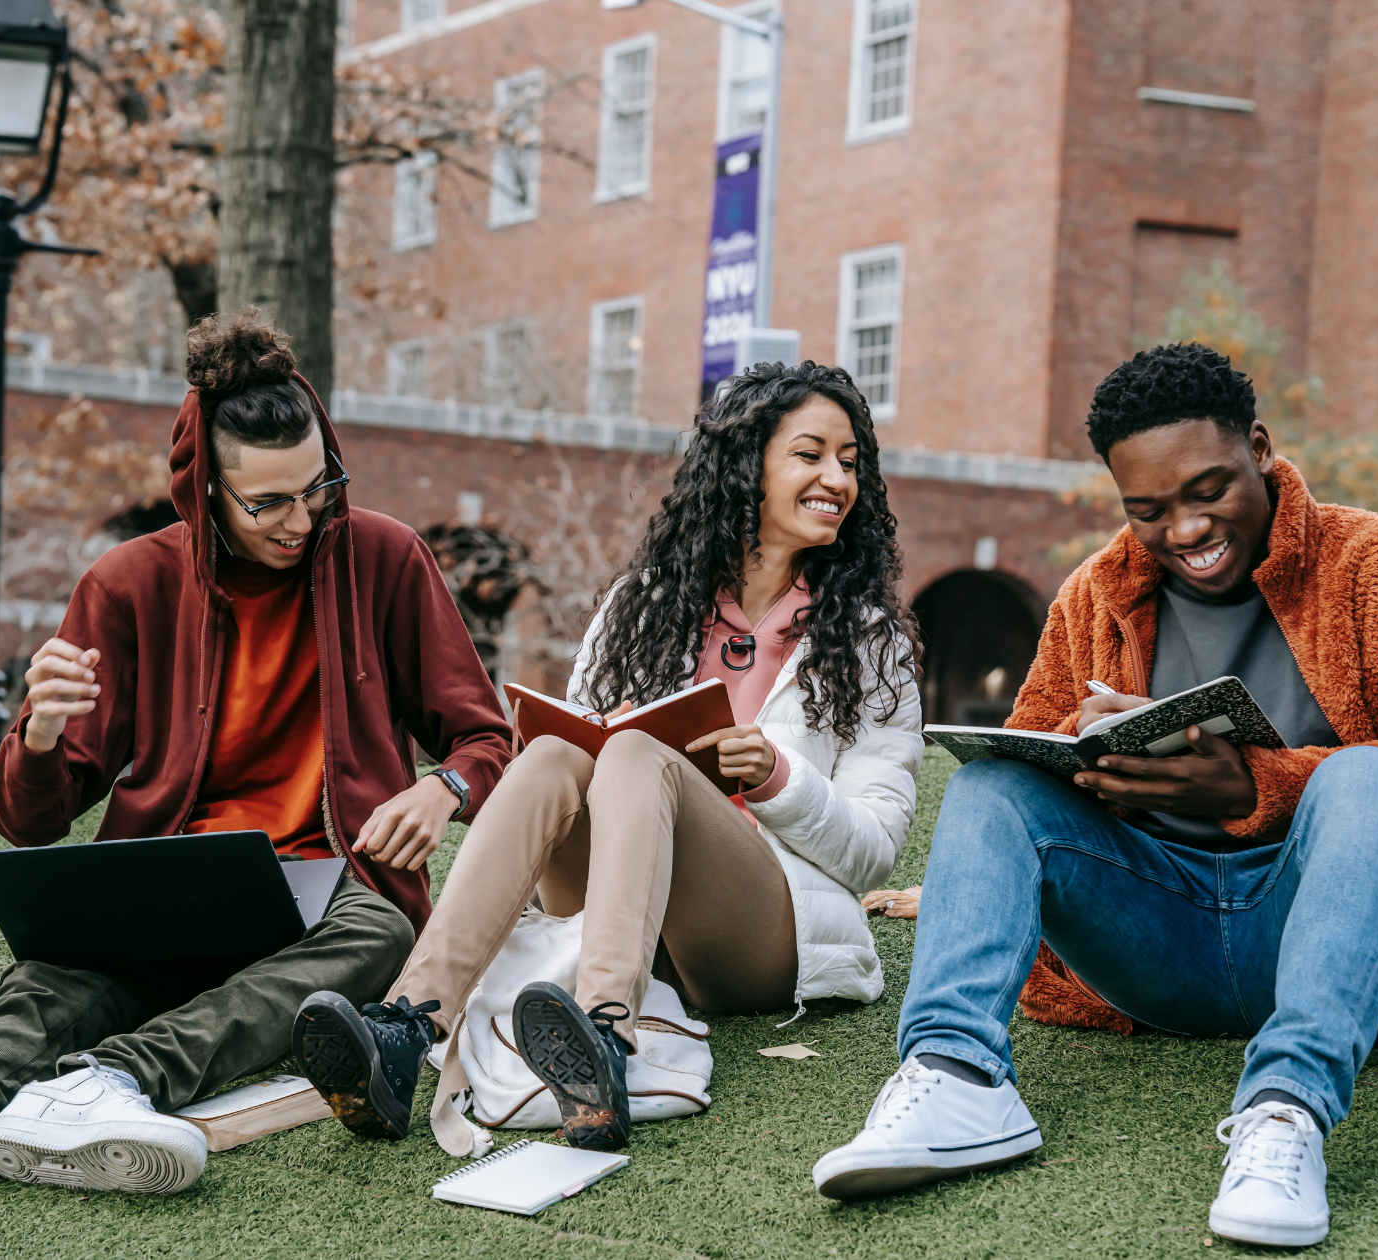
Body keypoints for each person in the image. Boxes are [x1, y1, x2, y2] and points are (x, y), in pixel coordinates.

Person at [812, 343, 1378, 1247]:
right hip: (1161, 943)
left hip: (1356, 949)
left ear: (1259, 445)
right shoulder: (1094, 594)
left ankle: (1284, 1113)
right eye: (1149, 509)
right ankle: (955, 1076)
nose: (1186, 529)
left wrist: (1256, 784)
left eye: (1209, 490)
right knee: (993, 784)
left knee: (1370, 774)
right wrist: (1104, 768)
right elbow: (1036, 756)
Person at [295, 361, 923, 1155]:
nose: (836, 477)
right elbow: (574, 761)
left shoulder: (868, 640)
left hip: (759, 932)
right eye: (810, 454)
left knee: (636, 755)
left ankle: (604, 1039)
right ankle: (408, 1025)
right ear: (746, 467)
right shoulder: (643, 606)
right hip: (613, 906)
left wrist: (775, 777)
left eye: (849, 461)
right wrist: (600, 735)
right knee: (563, 750)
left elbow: (872, 853)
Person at [0, 310, 514, 1194]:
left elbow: (485, 735)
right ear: (205, 491)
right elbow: (32, 820)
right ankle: (36, 1100)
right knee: (36, 996)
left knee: (381, 935)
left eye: (317, 487)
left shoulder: (385, 557)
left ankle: (109, 1082)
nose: (302, 519)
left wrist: (444, 791)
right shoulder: (126, 587)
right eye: (267, 501)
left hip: (324, 895)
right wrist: (38, 734)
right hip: (160, 888)